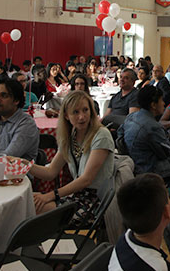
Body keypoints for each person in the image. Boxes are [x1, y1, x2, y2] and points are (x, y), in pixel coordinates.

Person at [28, 91, 114, 224]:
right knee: (24, 200)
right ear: (67, 116)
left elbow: (86, 180)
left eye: (85, 110)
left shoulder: (101, 135)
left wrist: (49, 196)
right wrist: (25, 166)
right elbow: (51, 172)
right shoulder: (71, 135)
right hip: (78, 196)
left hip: (95, 203)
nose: (82, 117)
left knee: (33, 207)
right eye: (75, 112)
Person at [119, 86, 170, 179]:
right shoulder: (153, 127)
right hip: (148, 168)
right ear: (153, 105)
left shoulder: (131, 116)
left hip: (133, 161)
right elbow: (165, 154)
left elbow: (120, 133)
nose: (164, 103)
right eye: (161, 100)